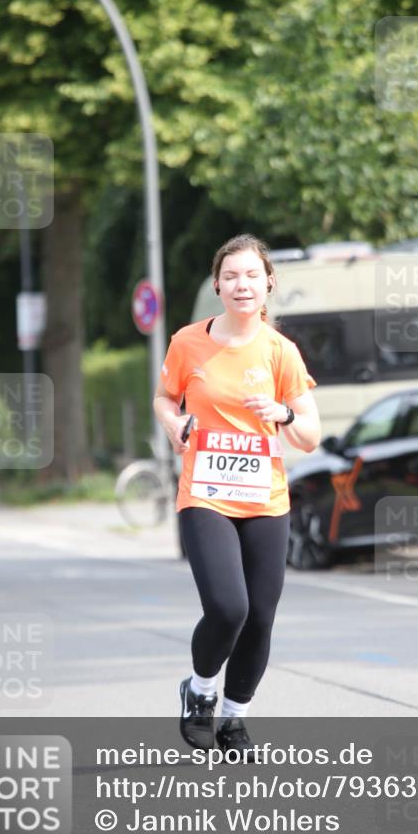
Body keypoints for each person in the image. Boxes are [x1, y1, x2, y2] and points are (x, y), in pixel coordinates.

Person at [153, 233, 321, 758]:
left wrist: (284, 414)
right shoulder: (187, 342)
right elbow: (164, 398)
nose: (241, 284)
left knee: (261, 617)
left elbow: (310, 436)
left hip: (265, 499)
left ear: (268, 283)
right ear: (217, 285)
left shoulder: (280, 351)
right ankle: (200, 691)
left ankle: (234, 719)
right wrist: (174, 424)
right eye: (230, 276)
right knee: (229, 608)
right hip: (205, 494)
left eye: (251, 275)